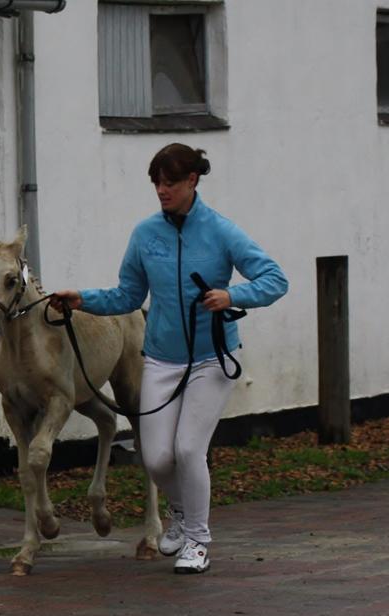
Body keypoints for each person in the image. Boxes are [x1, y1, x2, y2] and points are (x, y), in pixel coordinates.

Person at [50, 143, 288, 575]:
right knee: (155, 456)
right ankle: (181, 512)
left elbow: (275, 279)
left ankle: (197, 539)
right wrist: (81, 299)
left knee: (188, 448)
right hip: (160, 358)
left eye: (170, 182)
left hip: (212, 357)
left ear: (192, 181)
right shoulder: (145, 235)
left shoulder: (220, 231)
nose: (161, 190)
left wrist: (233, 294)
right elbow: (127, 295)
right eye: (156, 182)